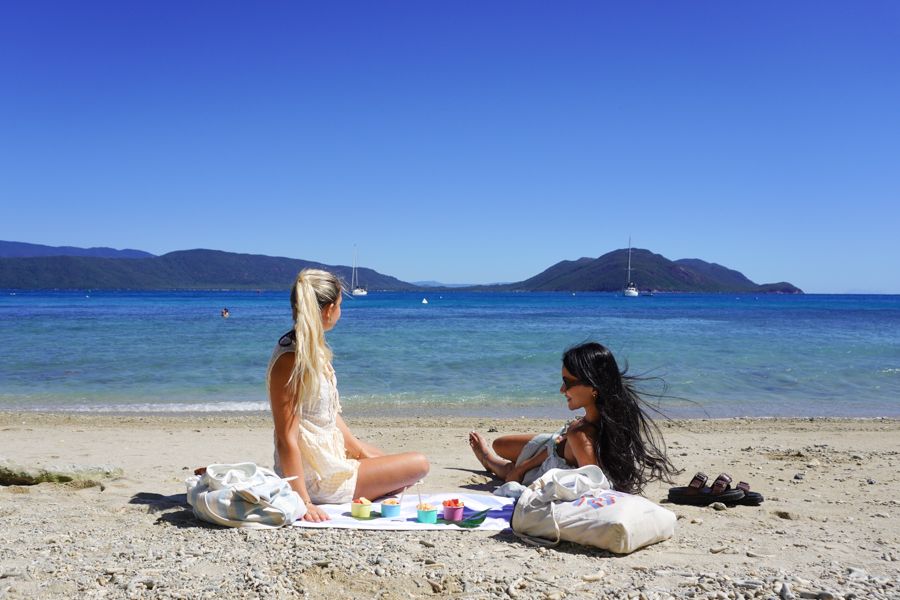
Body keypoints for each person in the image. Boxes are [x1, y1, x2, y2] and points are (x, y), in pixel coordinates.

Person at [269, 269, 429, 522]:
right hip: (316, 476)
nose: (341, 312)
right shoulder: (291, 360)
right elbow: (285, 438)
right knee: (419, 464)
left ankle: (372, 479)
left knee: (391, 462)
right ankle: (353, 487)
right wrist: (303, 501)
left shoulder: (311, 350)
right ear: (329, 309)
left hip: (328, 459)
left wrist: (358, 450)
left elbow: (327, 415)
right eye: (341, 305)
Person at [468, 342, 677, 494]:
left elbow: (594, 486)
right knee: (500, 443)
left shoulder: (581, 436)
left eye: (567, 383)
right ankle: (498, 458)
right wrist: (563, 440)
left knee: (507, 469)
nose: (562, 390)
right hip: (554, 445)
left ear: (593, 387)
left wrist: (521, 470)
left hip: (550, 464)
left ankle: (489, 460)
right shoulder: (614, 418)